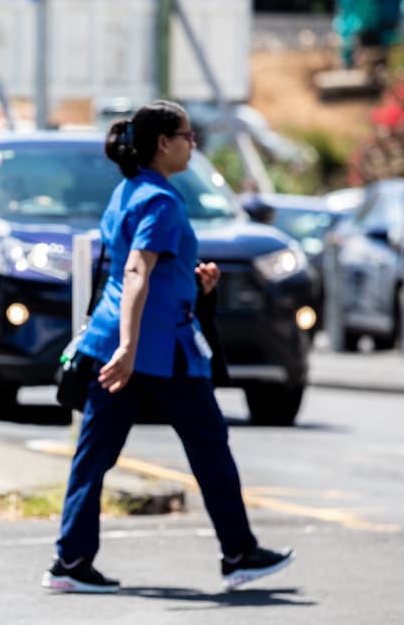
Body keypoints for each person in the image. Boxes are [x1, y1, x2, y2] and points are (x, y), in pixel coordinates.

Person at [42, 101, 294, 593]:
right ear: (163, 143)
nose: (192, 142)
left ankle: (70, 563)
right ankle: (239, 553)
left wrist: (192, 284)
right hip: (157, 350)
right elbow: (137, 268)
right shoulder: (162, 200)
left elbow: (136, 271)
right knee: (210, 448)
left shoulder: (127, 191)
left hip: (112, 340)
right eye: (187, 135)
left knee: (92, 458)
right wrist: (132, 349)